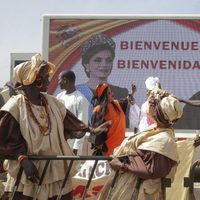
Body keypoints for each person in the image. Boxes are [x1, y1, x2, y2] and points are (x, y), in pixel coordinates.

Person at [0, 53, 111, 200]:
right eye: (44, 77)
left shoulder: (53, 102)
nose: (49, 80)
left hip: (55, 171)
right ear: (33, 80)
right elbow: (7, 140)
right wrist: (24, 161)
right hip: (27, 174)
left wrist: (92, 130)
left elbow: (72, 122)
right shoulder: (14, 107)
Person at [97, 86, 183, 200]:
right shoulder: (155, 130)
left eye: (154, 106)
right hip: (129, 188)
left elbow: (153, 170)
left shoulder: (165, 139)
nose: (151, 108)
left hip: (141, 193)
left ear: (161, 113)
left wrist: (122, 164)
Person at [76, 33, 129, 124]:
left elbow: (125, 124)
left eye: (108, 60)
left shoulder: (122, 93)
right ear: (86, 65)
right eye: (98, 60)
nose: (104, 65)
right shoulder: (76, 92)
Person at [89, 82, 135, 156]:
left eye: (111, 91)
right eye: (109, 93)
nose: (112, 94)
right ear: (104, 96)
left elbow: (127, 100)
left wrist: (132, 93)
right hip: (106, 153)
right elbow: (94, 133)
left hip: (119, 151)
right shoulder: (98, 110)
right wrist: (103, 148)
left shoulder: (117, 104)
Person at [57, 70, 89, 155]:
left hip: (72, 147)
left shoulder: (80, 99)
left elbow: (82, 125)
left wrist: (76, 148)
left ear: (65, 80)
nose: (58, 82)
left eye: (59, 80)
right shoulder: (59, 97)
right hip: (58, 144)